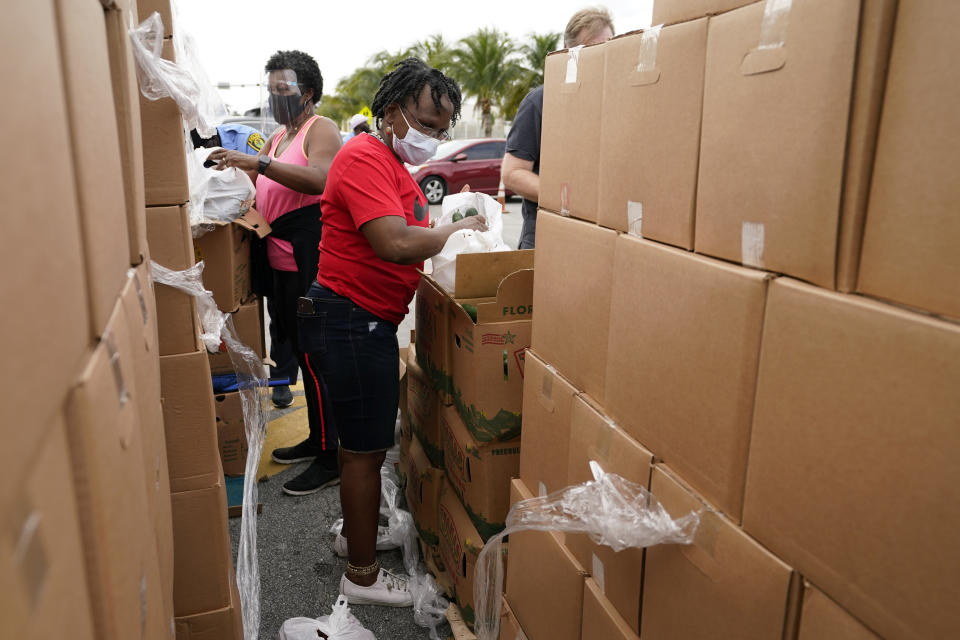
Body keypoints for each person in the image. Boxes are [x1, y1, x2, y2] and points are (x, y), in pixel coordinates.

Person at [302, 57, 486, 606]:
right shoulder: (362, 157)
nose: (433, 136)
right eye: (427, 122)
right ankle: (361, 577)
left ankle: (352, 537)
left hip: (362, 318)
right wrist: (456, 229)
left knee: (361, 443)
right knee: (363, 450)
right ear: (392, 111)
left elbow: (406, 233)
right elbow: (396, 243)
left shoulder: (387, 162)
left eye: (442, 128)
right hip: (351, 319)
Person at [208, 49, 344, 496]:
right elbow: (263, 188)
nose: (274, 99)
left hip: (309, 259)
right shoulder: (277, 137)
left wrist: (258, 163)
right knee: (300, 353)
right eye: (270, 92)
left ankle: (332, 456)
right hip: (281, 263)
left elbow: (321, 180)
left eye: (282, 91)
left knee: (317, 355)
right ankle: (316, 439)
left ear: (307, 92)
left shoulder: (319, 130)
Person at [192, 123, 301, 408]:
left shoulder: (245, 139)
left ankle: (282, 378)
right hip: (221, 235)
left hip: (259, 232)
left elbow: (267, 181)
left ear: (214, 135)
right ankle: (234, 371)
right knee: (228, 307)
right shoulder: (186, 146)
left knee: (279, 310)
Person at [501, 6, 614, 249]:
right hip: (546, 238)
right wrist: (573, 200)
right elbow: (512, 173)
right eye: (594, 49)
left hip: (601, 238)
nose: (603, 57)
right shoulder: (541, 101)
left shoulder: (617, 102)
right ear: (569, 54)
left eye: (610, 48)